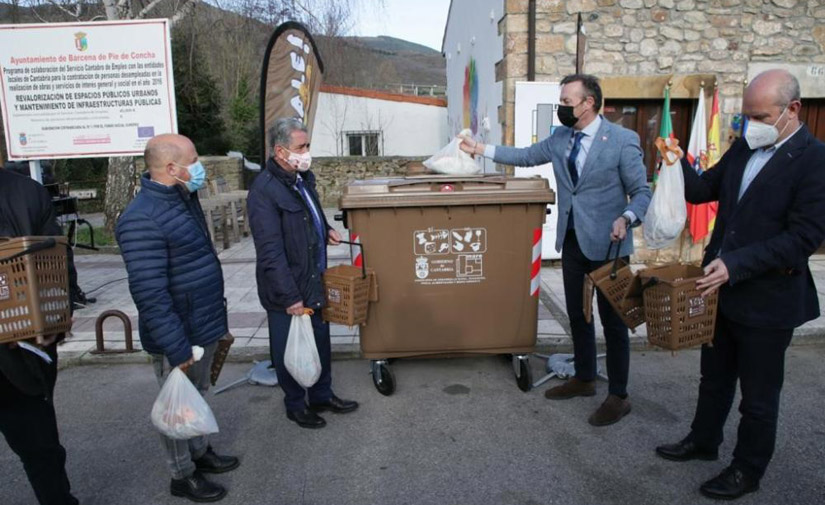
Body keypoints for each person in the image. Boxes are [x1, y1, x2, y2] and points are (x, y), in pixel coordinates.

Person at [655, 69, 825, 500]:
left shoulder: (815, 160)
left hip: (769, 300)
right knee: (713, 378)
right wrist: (675, 161)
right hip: (721, 293)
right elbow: (701, 191)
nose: (750, 124)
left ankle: (747, 469)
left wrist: (736, 263)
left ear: (793, 110)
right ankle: (703, 441)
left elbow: (803, 237)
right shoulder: (745, 144)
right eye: (746, 115)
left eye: (760, 115)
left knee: (758, 397)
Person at [460, 74, 651, 426]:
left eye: (566, 101)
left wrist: (626, 217)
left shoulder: (622, 140)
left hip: (610, 245)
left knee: (612, 322)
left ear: (588, 103)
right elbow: (527, 155)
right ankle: (584, 378)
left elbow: (641, 192)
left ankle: (619, 395)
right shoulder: (562, 136)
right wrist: (480, 150)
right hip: (575, 240)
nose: (561, 107)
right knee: (579, 316)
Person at [116, 134, 239, 503]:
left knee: (197, 396)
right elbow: (150, 294)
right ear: (172, 168)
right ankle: (181, 475)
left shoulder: (183, 198)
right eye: (195, 158)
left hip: (202, 322)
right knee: (175, 408)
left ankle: (199, 453)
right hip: (179, 333)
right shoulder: (141, 219)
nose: (200, 166)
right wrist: (176, 345)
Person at [247, 118, 358, 429]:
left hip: (313, 278)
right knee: (290, 350)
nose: (307, 152)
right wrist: (290, 297)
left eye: (307, 145)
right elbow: (270, 251)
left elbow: (308, 217)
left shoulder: (302, 178)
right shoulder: (264, 192)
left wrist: (325, 231)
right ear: (281, 151)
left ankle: (322, 394)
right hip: (289, 289)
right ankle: (295, 404)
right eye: (301, 147)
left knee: (319, 340)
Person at [0, 167, 79, 504]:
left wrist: (55, 320)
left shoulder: (25, 192)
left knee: (42, 450)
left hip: (20, 356)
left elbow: (59, 262)